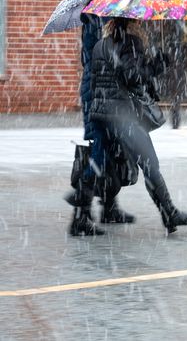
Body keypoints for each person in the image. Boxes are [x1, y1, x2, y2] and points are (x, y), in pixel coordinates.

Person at [90, 17, 187, 233]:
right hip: (123, 115)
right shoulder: (130, 42)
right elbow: (132, 76)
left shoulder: (100, 45)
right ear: (133, 22)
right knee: (150, 163)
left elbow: (100, 79)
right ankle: (169, 213)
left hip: (103, 113)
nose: (142, 25)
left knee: (111, 163)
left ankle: (100, 207)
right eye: (139, 21)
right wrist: (157, 64)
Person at [68, 13, 134, 236]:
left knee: (109, 150)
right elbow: (98, 58)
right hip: (98, 95)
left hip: (102, 93)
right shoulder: (94, 21)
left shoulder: (99, 20)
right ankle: (81, 214)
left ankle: (107, 207)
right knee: (99, 151)